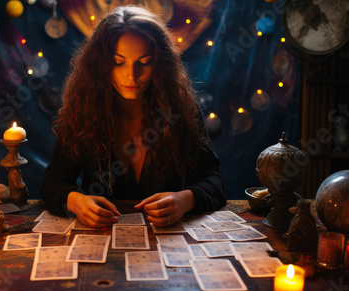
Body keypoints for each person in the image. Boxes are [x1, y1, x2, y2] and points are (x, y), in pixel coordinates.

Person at [41, 5, 226, 229]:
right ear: (101, 64)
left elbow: (213, 182)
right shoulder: (84, 108)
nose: (132, 75)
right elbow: (53, 183)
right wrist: (77, 202)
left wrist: (186, 200)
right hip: (101, 239)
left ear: (160, 64)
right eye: (119, 62)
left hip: (168, 243)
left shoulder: (181, 109)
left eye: (144, 62)